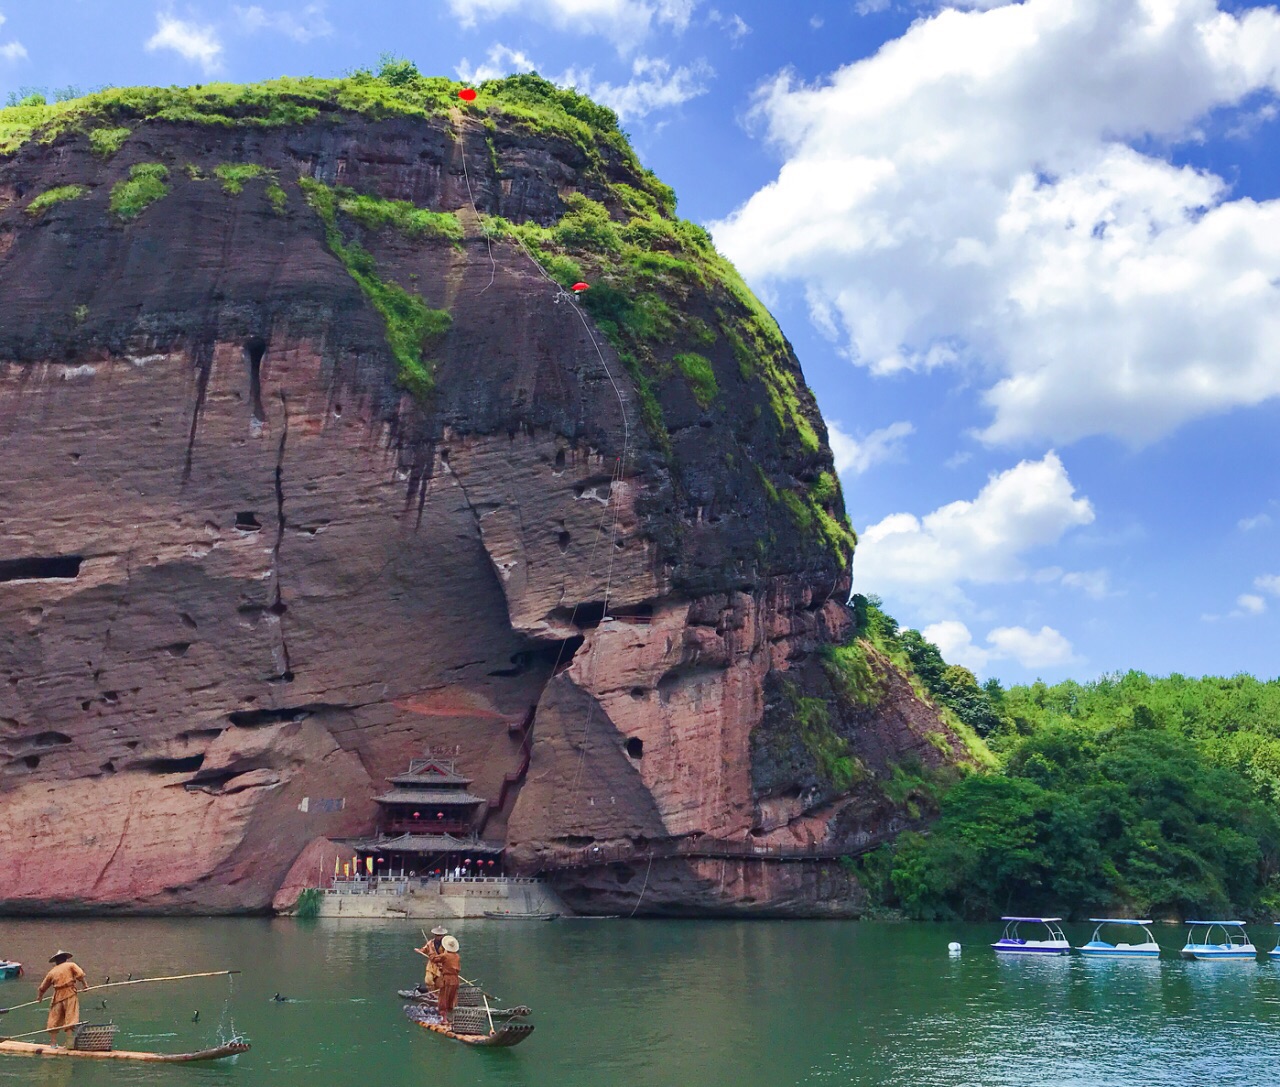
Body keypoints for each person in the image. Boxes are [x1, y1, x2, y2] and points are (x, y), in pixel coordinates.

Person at [37, 951, 87, 1048]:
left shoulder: (52, 971)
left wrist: (40, 997)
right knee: (70, 1016)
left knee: (54, 1018)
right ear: (65, 958)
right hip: (69, 993)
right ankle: (69, 1043)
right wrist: (85, 985)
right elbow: (80, 974)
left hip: (57, 996)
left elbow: (42, 987)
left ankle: (53, 1043)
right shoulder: (71, 965)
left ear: (56, 961)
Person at [430, 935, 461, 1027]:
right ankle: (451, 1017)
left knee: (444, 998)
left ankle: (444, 1019)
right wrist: (443, 967)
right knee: (452, 998)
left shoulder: (445, 955)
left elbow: (434, 959)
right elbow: (452, 966)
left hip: (447, 979)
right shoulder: (457, 956)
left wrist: (430, 949)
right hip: (455, 979)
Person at [413, 926, 449, 993]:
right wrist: (419, 950)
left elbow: (447, 955)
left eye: (440, 935)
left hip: (441, 966)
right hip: (431, 965)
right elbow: (424, 949)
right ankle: (431, 994)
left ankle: (437, 995)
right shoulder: (430, 943)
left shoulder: (446, 944)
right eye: (437, 935)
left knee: (439, 983)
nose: (438, 937)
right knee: (428, 980)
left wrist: (439, 960)